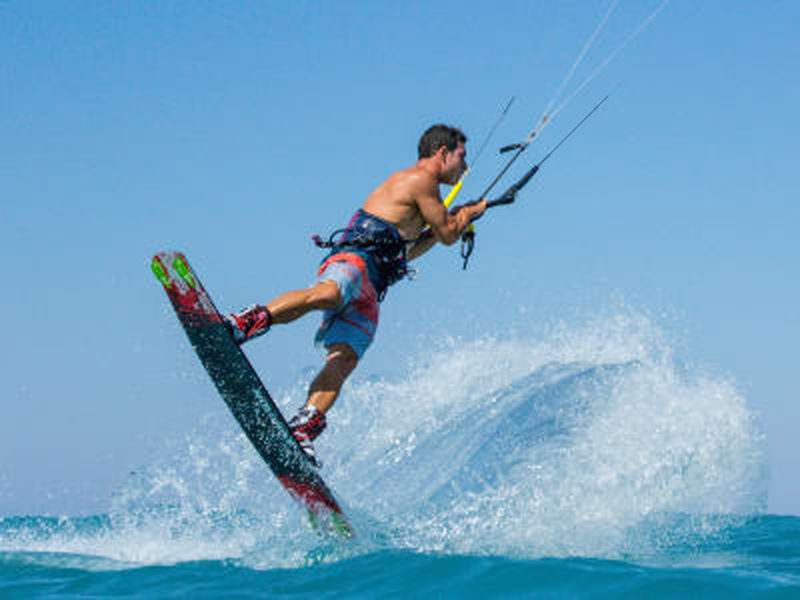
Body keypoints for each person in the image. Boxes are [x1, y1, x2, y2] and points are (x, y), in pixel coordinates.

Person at [225, 124, 487, 465]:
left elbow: (411, 249)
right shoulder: (421, 180)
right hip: (355, 261)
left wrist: (450, 224)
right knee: (329, 293)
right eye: (461, 157)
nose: (464, 167)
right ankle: (248, 321)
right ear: (442, 153)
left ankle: (304, 425)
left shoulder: (425, 197)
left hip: (374, 282)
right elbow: (450, 234)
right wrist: (466, 214)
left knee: (346, 356)